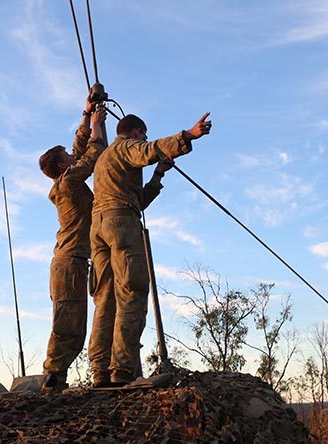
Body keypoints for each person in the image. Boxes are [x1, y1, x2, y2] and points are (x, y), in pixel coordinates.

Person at [88, 112, 212, 387]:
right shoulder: (125, 146)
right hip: (121, 224)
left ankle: (99, 370)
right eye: (143, 134)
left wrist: (157, 175)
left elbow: (139, 201)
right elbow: (150, 150)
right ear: (135, 132)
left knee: (105, 298)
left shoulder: (104, 159)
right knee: (132, 291)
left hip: (99, 228)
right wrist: (188, 136)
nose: (144, 138)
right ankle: (121, 369)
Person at [38, 100, 108, 394]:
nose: (71, 154)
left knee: (73, 324)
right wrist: (97, 125)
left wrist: (86, 113)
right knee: (69, 325)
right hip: (69, 263)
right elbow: (93, 154)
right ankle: (52, 378)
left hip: (74, 261)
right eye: (66, 155)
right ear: (60, 166)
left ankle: (55, 377)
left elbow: (80, 151)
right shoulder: (68, 183)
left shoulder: (67, 177)